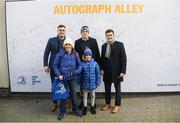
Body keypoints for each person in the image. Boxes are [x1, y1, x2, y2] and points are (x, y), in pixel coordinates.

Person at [53, 37, 82, 120]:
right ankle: (62, 111)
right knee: (63, 96)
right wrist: (59, 75)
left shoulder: (75, 54)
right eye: (66, 44)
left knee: (73, 95)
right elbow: (55, 65)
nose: (67, 46)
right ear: (64, 45)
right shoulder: (60, 54)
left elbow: (80, 65)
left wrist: (76, 72)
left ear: (72, 46)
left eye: (69, 44)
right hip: (63, 79)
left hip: (73, 78)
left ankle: (75, 109)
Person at [100, 29, 127, 113]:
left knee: (117, 89)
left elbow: (123, 59)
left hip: (117, 72)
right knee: (107, 89)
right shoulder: (104, 46)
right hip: (106, 72)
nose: (109, 37)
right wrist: (101, 69)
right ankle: (107, 103)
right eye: (107, 35)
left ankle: (117, 105)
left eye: (111, 35)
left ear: (113, 35)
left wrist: (123, 71)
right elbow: (102, 59)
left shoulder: (120, 45)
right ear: (105, 36)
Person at [75, 26, 100, 109]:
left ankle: (92, 104)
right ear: (81, 32)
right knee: (83, 87)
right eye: (83, 31)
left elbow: (97, 53)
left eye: (86, 31)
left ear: (88, 32)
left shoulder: (93, 41)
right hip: (82, 66)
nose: (84, 33)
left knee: (92, 88)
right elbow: (76, 55)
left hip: (92, 66)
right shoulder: (77, 42)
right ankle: (83, 102)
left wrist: (97, 66)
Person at [43, 24, 66, 112]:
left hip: (64, 67)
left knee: (65, 85)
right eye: (60, 30)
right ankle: (55, 102)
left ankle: (65, 101)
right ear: (57, 31)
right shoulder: (51, 40)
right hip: (53, 67)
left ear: (65, 31)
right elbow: (46, 53)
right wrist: (45, 65)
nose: (62, 32)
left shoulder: (68, 41)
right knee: (54, 85)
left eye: (63, 30)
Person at [80, 48, 101, 115]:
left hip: (93, 84)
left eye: (89, 55)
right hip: (84, 83)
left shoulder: (95, 64)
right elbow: (80, 74)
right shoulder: (82, 64)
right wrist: (79, 81)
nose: (88, 56)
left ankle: (92, 107)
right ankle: (85, 107)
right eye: (86, 55)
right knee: (85, 96)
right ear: (84, 56)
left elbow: (98, 74)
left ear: (91, 56)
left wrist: (98, 82)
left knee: (92, 95)